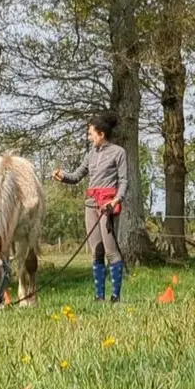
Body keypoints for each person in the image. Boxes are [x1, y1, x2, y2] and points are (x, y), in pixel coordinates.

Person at [53, 112, 128, 302]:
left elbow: (124, 181)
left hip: (107, 206)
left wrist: (116, 200)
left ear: (101, 134)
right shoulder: (91, 153)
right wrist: (63, 176)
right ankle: (99, 297)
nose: (89, 137)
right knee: (96, 251)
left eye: (91, 133)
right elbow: (77, 176)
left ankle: (115, 296)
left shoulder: (118, 152)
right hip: (91, 204)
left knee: (110, 251)